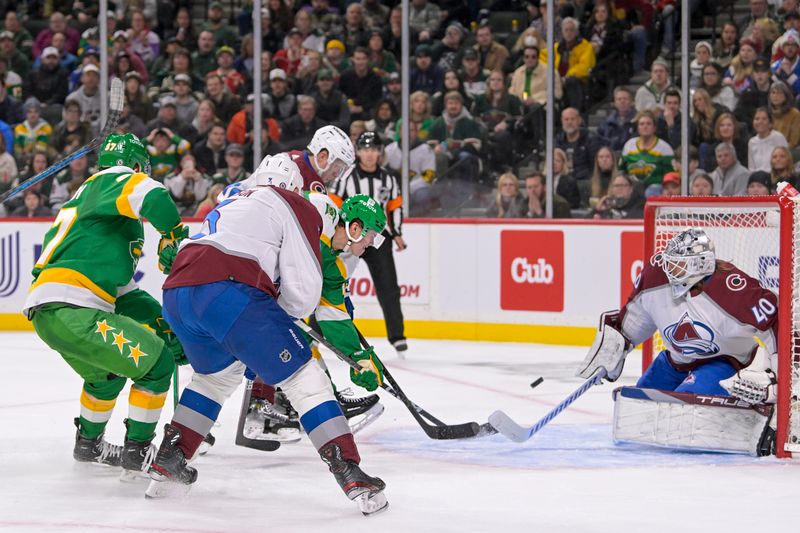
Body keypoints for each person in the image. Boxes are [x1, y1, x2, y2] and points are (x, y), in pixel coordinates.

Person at [146, 159, 389, 516]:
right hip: (228, 292)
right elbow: (304, 295)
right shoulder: (295, 204)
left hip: (178, 294)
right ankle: (351, 474)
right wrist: (275, 313)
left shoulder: (232, 197)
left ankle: (169, 459)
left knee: (214, 379)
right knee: (305, 377)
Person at [22, 133, 188, 479]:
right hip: (74, 308)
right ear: (138, 166)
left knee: (105, 377)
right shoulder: (111, 181)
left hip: (53, 312)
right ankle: (138, 452)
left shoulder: (104, 212)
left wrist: (163, 323)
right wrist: (173, 235)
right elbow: (155, 196)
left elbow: (125, 295)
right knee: (157, 364)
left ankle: (89, 445)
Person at [577, 228, 778, 408]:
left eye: (678, 265)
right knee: (638, 404)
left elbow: (776, 324)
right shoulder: (656, 275)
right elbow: (636, 319)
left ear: (700, 265)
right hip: (676, 360)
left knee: (685, 405)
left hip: (727, 362)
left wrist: (779, 377)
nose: (669, 270)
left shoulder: (732, 290)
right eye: (669, 262)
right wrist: (613, 351)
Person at [331, 131, 408, 352]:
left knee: (389, 287)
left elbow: (395, 207)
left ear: (380, 152)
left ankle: (397, 336)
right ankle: (317, 331)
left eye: (374, 149)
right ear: (358, 152)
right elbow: (335, 204)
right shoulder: (346, 177)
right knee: (333, 281)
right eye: (365, 149)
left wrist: (398, 233)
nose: (370, 154)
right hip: (351, 236)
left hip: (377, 237)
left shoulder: (389, 179)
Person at [619, 110, 675, 194]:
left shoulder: (665, 148)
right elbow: (621, 170)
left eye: (648, 124)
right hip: (632, 187)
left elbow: (671, 175)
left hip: (656, 189)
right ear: (638, 128)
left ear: (654, 128)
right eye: (642, 124)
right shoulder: (629, 145)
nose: (645, 126)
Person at [748, 107, 788, 171]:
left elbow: (787, 162)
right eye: (757, 119)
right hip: (758, 178)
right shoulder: (752, 142)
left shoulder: (778, 137)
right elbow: (751, 168)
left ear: (770, 123)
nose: (760, 122)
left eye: (764, 119)